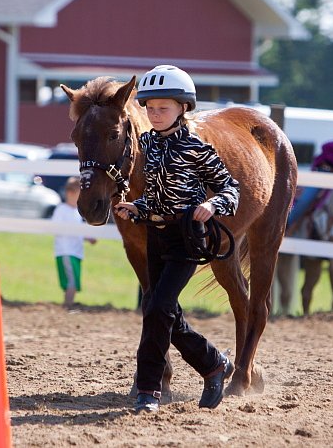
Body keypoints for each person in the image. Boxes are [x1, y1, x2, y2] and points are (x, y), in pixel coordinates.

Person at [114, 65, 240, 414]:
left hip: (187, 237)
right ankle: (214, 363)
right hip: (155, 235)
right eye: (150, 108)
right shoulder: (148, 144)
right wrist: (136, 208)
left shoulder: (197, 148)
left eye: (163, 108)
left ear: (183, 108)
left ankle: (148, 390)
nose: (154, 115)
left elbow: (232, 189)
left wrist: (212, 204)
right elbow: (155, 196)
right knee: (164, 311)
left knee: (156, 308)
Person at [51, 176, 96, 308]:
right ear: (70, 193)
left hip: (76, 252)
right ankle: (68, 305)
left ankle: (68, 303)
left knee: (73, 281)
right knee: (71, 282)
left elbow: (78, 232)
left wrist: (87, 237)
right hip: (66, 251)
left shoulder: (77, 212)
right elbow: (56, 228)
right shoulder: (61, 210)